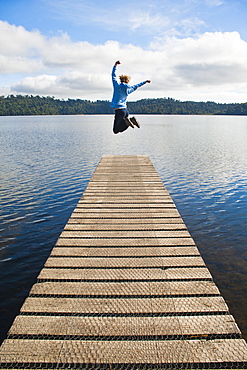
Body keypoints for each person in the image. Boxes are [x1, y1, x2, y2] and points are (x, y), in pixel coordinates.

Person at [110, 61, 151, 134]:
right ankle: (131, 120)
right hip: (125, 111)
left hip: (119, 111)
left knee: (115, 130)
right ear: (127, 82)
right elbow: (136, 86)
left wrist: (115, 65)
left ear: (121, 80)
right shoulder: (128, 90)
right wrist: (145, 82)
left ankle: (129, 122)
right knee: (121, 126)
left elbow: (113, 75)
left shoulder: (116, 86)